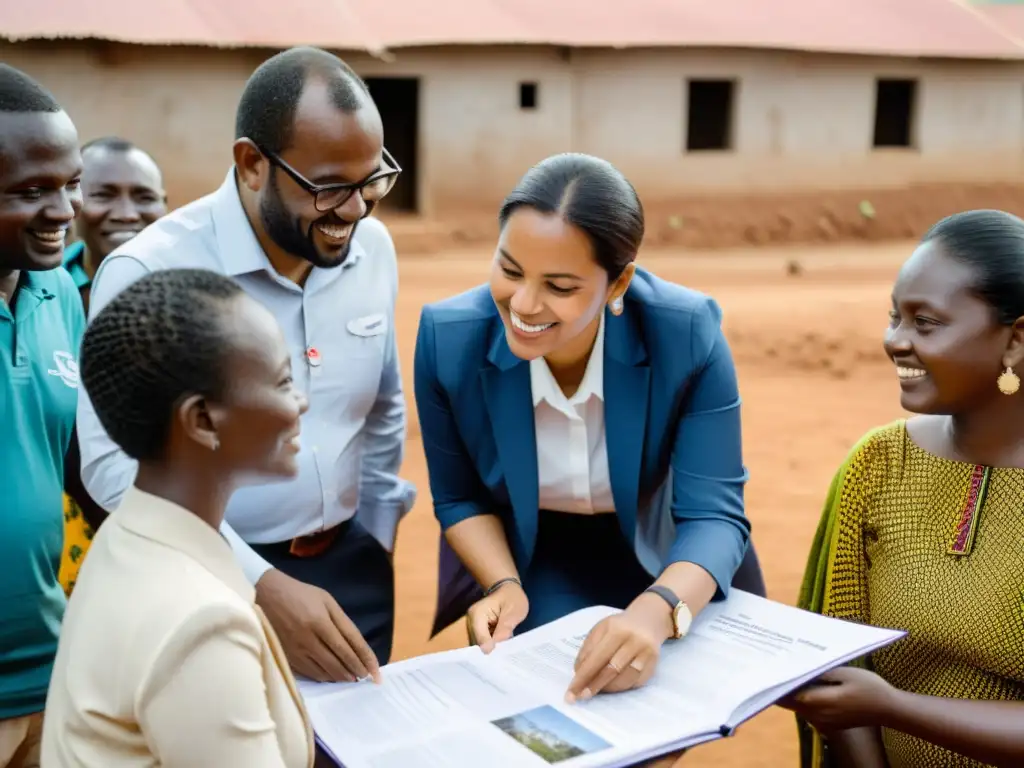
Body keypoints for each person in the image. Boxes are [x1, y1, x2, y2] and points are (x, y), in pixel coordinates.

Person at [75, 46, 414, 682]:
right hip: (203, 587)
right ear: (252, 164)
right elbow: (110, 464)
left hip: (352, 575)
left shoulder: (373, 247)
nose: (356, 210)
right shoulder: (150, 273)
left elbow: (384, 407)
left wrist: (374, 533)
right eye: (329, 187)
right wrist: (256, 582)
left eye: (372, 181)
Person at [415, 152, 763, 704]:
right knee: (549, 711)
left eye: (559, 286)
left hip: (672, 550)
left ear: (618, 282)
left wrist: (654, 613)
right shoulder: (447, 338)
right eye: (509, 270)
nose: (523, 304)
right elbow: (458, 497)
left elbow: (714, 514)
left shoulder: (686, 332)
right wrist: (503, 584)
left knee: (664, 718)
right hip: (535, 555)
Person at [42, 268, 315, 768]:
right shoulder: (199, 625)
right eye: (282, 381)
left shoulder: (127, 537)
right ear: (203, 420)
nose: (302, 402)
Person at [785, 210, 1024, 767]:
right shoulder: (879, 462)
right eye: (895, 316)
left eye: (926, 322)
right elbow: (841, 661)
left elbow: (872, 700)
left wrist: (895, 708)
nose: (895, 341)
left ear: (1015, 340)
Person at [0, 64, 85, 768]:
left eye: (69, 184)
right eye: (32, 192)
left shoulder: (61, 293)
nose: (63, 210)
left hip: (52, 672)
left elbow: (89, 465)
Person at [58, 135, 167, 596]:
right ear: (74, 201)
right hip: (66, 522)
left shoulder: (191, 298)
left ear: (167, 205)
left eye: (144, 196)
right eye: (103, 194)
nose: (126, 212)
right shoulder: (46, 294)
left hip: (161, 519)